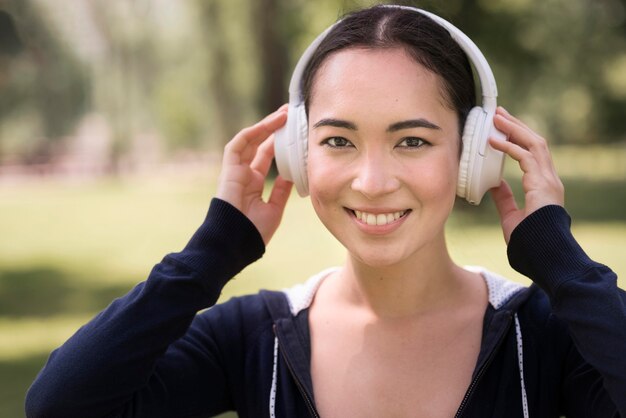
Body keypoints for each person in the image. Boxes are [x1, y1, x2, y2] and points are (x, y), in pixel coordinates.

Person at [26, 5, 625, 418]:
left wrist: (561, 262)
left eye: (412, 140)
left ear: (475, 154)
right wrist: (208, 255)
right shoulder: (255, 338)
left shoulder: (545, 336)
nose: (372, 180)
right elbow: (60, 405)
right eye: (339, 140)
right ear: (298, 156)